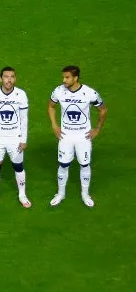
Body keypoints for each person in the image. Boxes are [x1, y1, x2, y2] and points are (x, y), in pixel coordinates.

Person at [48, 65, 107, 207]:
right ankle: (61, 194)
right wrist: (54, 125)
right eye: (63, 77)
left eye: (67, 77)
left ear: (76, 78)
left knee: (84, 165)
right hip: (65, 136)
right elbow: (51, 106)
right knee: (63, 165)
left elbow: (103, 110)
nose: (64, 80)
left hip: (83, 136)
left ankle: (85, 194)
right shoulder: (58, 91)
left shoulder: (89, 93)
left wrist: (97, 129)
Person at [0, 67, 31, 208]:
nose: (9, 80)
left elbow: (24, 119)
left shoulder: (21, 95)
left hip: (15, 138)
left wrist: (24, 140)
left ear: (15, 78)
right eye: (6, 77)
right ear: (0, 78)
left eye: (12, 77)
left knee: (18, 166)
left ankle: (22, 194)